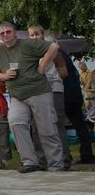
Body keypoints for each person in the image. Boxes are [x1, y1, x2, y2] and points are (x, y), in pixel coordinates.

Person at [0, 22, 66, 173]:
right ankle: (29, 162)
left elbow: (53, 47)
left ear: (15, 33)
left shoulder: (28, 44)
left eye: (8, 31)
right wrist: (5, 75)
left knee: (47, 129)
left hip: (38, 92)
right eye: (2, 33)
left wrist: (43, 65)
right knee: (15, 122)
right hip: (17, 95)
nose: (5, 34)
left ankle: (56, 165)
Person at [27, 25, 72, 168]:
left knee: (57, 123)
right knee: (36, 125)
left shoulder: (52, 48)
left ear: (42, 35)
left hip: (54, 89)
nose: (34, 37)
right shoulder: (26, 52)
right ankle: (42, 161)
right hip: (35, 92)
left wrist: (50, 77)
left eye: (37, 34)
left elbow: (64, 71)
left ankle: (64, 160)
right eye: (31, 35)